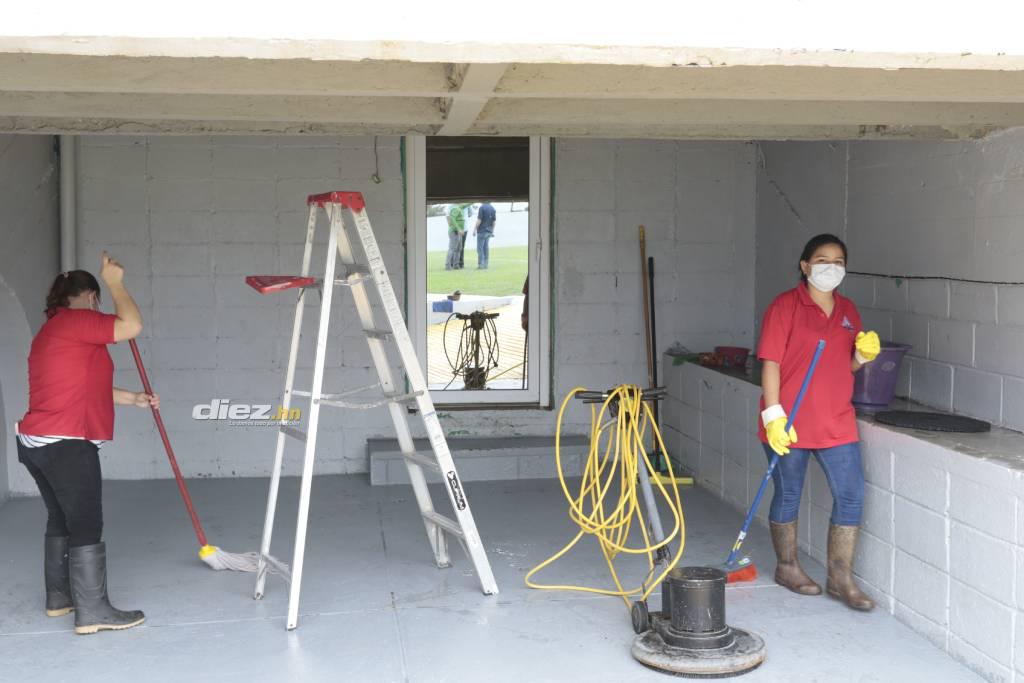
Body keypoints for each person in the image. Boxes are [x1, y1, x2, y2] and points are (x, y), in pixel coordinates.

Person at [16, 252, 157, 634]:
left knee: (61, 518)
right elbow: (132, 325)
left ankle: (59, 599)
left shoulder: (54, 330)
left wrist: (134, 399)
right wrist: (115, 282)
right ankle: (93, 612)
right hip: (65, 442)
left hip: (36, 442)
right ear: (90, 296)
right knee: (86, 523)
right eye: (99, 297)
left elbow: (85, 387)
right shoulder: (81, 321)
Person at [757, 234, 881, 611]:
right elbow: (771, 363)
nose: (832, 267)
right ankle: (787, 566)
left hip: (836, 420)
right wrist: (773, 415)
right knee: (789, 494)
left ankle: (840, 578)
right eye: (822, 259)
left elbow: (843, 366)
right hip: (789, 420)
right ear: (805, 266)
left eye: (839, 261)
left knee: (851, 494)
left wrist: (862, 357)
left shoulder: (848, 311)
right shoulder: (785, 307)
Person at [473, 201, 497, 269]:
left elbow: (479, 220)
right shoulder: (493, 208)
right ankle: (486, 264)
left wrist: (474, 229)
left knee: (479, 249)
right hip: (489, 231)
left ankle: (481, 264)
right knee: (486, 248)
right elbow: (494, 221)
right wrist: (492, 231)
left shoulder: (482, 207)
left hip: (482, 231)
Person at [445, 203, 467, 270]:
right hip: (454, 231)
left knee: (459, 248)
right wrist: (458, 229)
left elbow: (467, 204)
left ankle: (456, 265)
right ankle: (448, 265)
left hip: (459, 232)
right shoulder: (453, 207)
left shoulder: (460, 206)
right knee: (452, 248)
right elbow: (451, 219)